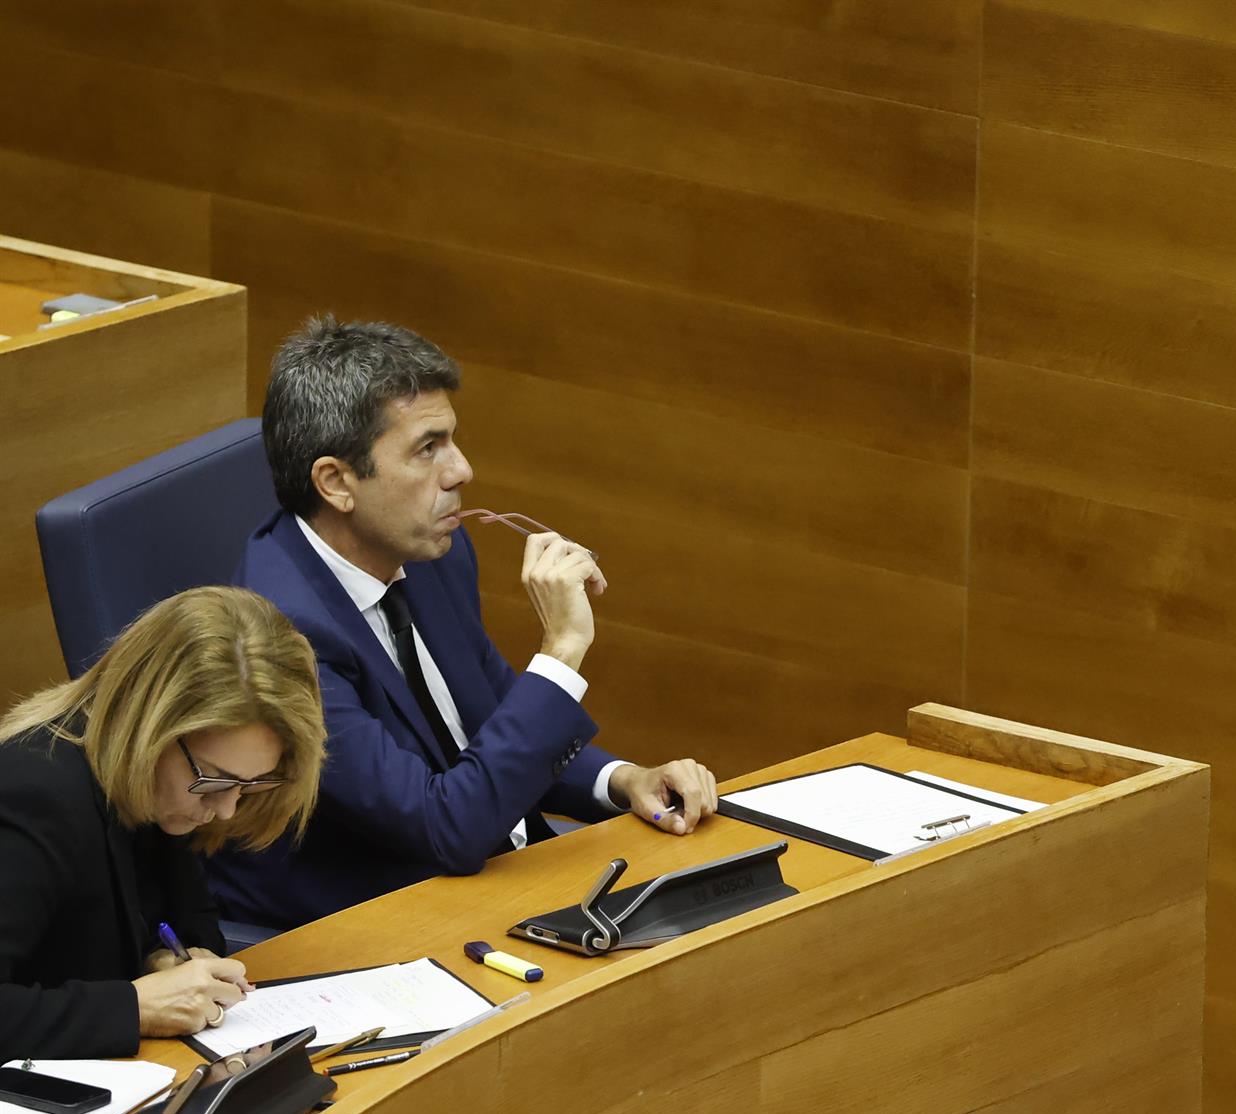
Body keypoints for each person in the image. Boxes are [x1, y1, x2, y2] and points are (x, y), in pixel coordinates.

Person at [208, 317, 718, 929]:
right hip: (383, 918)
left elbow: (489, 716)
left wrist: (623, 780)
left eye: (451, 440)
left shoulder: (428, 552)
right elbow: (444, 827)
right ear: (336, 482)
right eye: (427, 449)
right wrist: (561, 649)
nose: (461, 471)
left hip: (494, 873)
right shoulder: (280, 639)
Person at [0, 587, 325, 1059]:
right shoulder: (31, 794)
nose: (227, 809)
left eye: (249, 785)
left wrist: (168, 960)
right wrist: (134, 1008)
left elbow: (188, 924)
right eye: (214, 781)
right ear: (149, 729)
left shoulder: (165, 791)